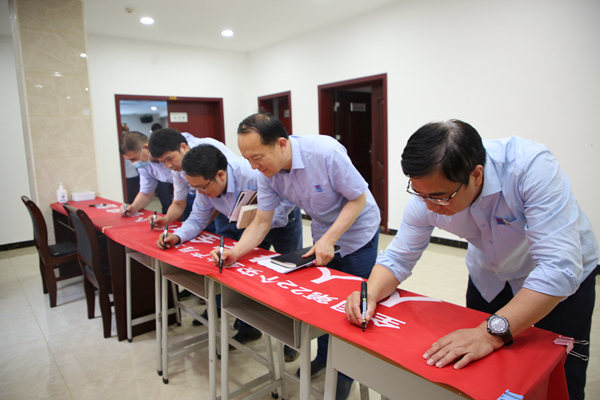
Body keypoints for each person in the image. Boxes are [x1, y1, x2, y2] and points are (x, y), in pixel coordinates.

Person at [345, 119, 599, 400]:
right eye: (420, 194)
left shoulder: (530, 169)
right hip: (490, 277)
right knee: (483, 372)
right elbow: (398, 258)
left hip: (559, 288)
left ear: (476, 175)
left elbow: (558, 269)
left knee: (559, 376)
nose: (429, 206)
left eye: (440, 197)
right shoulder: (429, 193)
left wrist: (489, 334)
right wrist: (369, 294)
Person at [212, 112, 381, 400]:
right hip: (323, 236)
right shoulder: (266, 175)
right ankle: (324, 358)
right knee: (327, 303)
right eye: (247, 159)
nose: (253, 166)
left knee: (353, 307)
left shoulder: (325, 153)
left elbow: (358, 198)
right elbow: (262, 222)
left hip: (358, 234)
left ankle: (344, 378)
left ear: (281, 144)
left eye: (257, 157)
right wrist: (235, 252)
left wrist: (330, 238)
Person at [159, 144, 302, 360]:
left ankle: (293, 339)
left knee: (290, 278)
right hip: (247, 225)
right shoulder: (204, 186)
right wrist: (177, 236)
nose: (201, 193)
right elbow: (197, 218)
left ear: (220, 175)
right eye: (195, 188)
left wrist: (264, 221)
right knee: (243, 275)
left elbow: (289, 198)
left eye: (202, 187)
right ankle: (248, 328)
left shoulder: (252, 174)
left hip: (283, 223)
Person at [147, 128, 237, 227]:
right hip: (208, 201)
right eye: (163, 162)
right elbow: (178, 203)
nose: (168, 166)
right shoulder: (177, 170)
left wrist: (199, 224)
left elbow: (233, 182)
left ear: (184, 147)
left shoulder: (210, 150)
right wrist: (166, 219)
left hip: (234, 199)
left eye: (169, 159)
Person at [119, 131, 174, 216]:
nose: (133, 163)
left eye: (133, 159)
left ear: (146, 148)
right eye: (129, 160)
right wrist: (133, 208)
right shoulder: (145, 166)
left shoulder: (174, 149)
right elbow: (146, 193)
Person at [150, 123, 174, 214]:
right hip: (161, 176)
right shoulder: (151, 144)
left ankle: (167, 212)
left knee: (165, 194)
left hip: (170, 175)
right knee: (164, 195)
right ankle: (166, 212)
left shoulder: (167, 141)